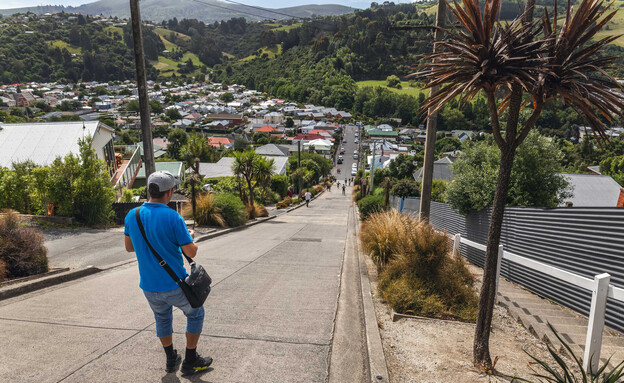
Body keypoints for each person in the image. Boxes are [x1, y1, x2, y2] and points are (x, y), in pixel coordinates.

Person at [124, 171, 212, 376]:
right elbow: (191, 251)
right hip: (175, 285)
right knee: (196, 313)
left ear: (149, 190)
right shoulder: (173, 216)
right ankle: (190, 360)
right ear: (169, 192)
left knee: (162, 319)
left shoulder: (132, 215)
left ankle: (171, 359)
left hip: (148, 286)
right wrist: (189, 237)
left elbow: (129, 247)